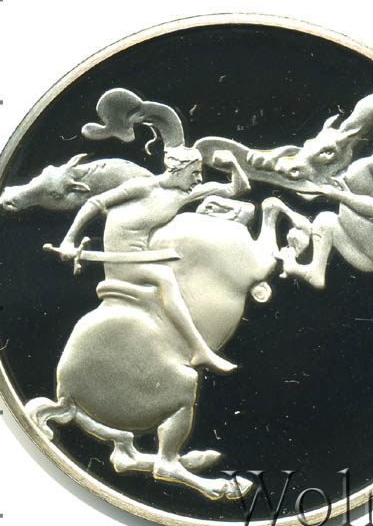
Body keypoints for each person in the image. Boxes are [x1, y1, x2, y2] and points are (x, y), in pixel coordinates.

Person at [57, 147, 250, 373]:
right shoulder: (143, 186)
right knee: (165, 277)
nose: (199, 179)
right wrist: (68, 240)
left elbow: (238, 188)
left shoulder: (184, 194)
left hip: (142, 258)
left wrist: (232, 164)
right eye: (194, 172)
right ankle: (200, 350)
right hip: (120, 261)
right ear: (178, 170)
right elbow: (95, 203)